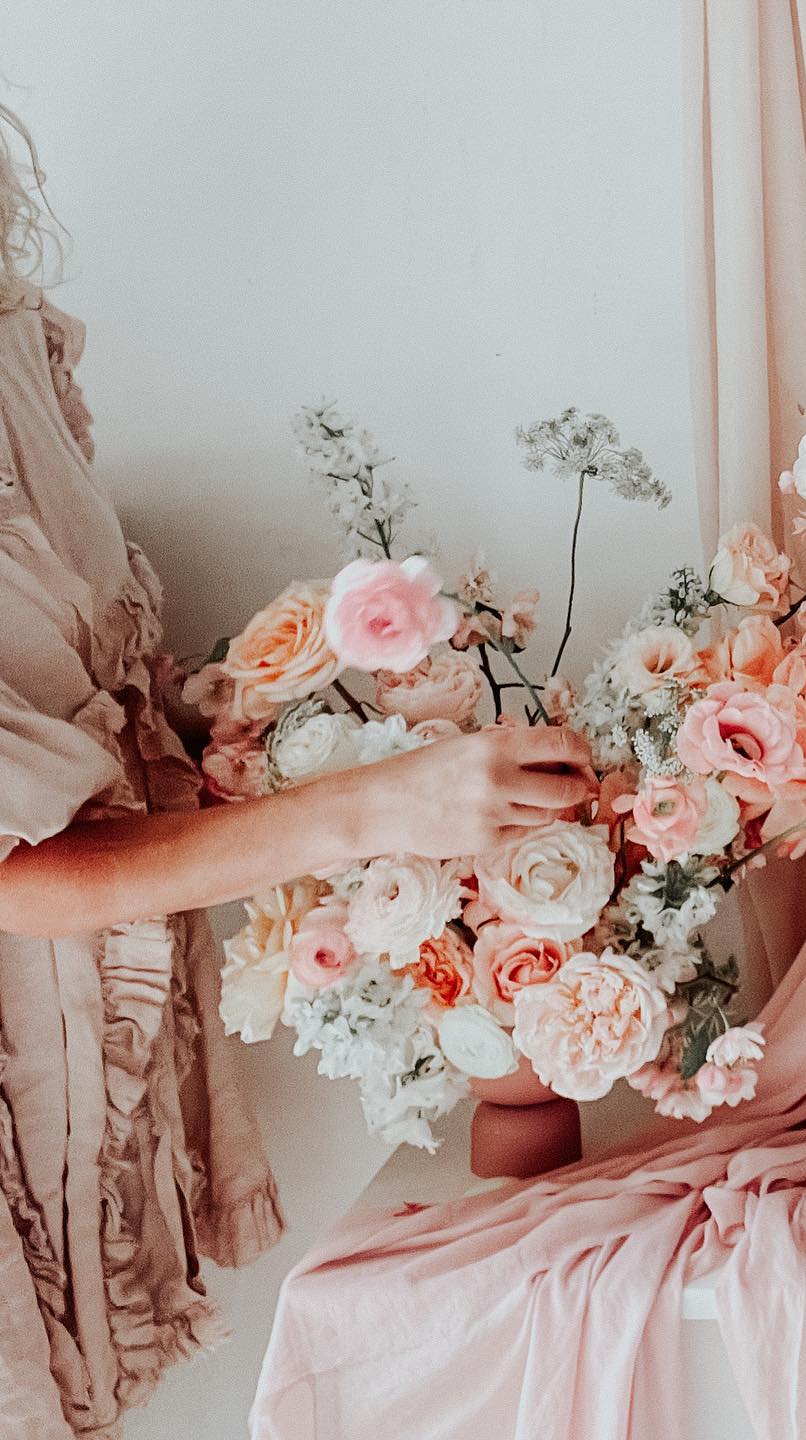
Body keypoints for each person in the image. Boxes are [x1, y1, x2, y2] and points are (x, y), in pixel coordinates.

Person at [0, 104, 592, 1439]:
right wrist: (373, 806)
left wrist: (279, 715)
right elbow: (17, 873)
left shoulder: (13, 344)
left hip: (79, 1034)